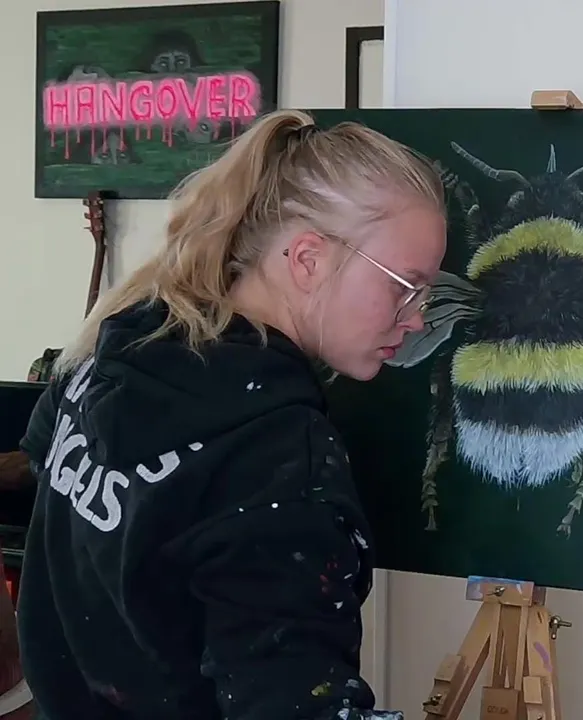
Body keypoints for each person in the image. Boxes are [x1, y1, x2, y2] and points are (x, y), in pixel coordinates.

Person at [16, 108, 447, 720]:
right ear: (308, 259)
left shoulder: (120, 343)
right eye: (405, 285)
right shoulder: (276, 458)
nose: (418, 317)